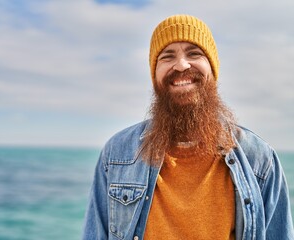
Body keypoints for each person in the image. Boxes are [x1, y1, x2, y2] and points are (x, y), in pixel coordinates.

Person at [82, 14, 294, 240]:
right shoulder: (117, 153)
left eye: (194, 53)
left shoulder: (259, 159)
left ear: (212, 69)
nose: (181, 64)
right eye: (167, 56)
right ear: (154, 75)